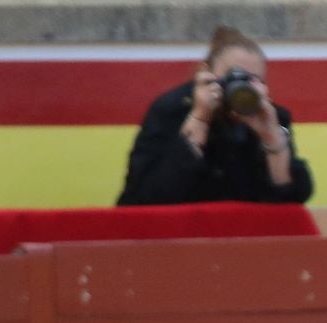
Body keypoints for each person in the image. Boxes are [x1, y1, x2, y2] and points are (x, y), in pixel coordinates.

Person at [117, 26, 312, 206]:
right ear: (206, 73)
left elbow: (292, 201)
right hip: (179, 233)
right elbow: (145, 198)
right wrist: (200, 118)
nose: (241, 88)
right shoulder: (171, 110)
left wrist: (271, 137)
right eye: (234, 77)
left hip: (245, 235)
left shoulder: (271, 116)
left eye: (254, 80)